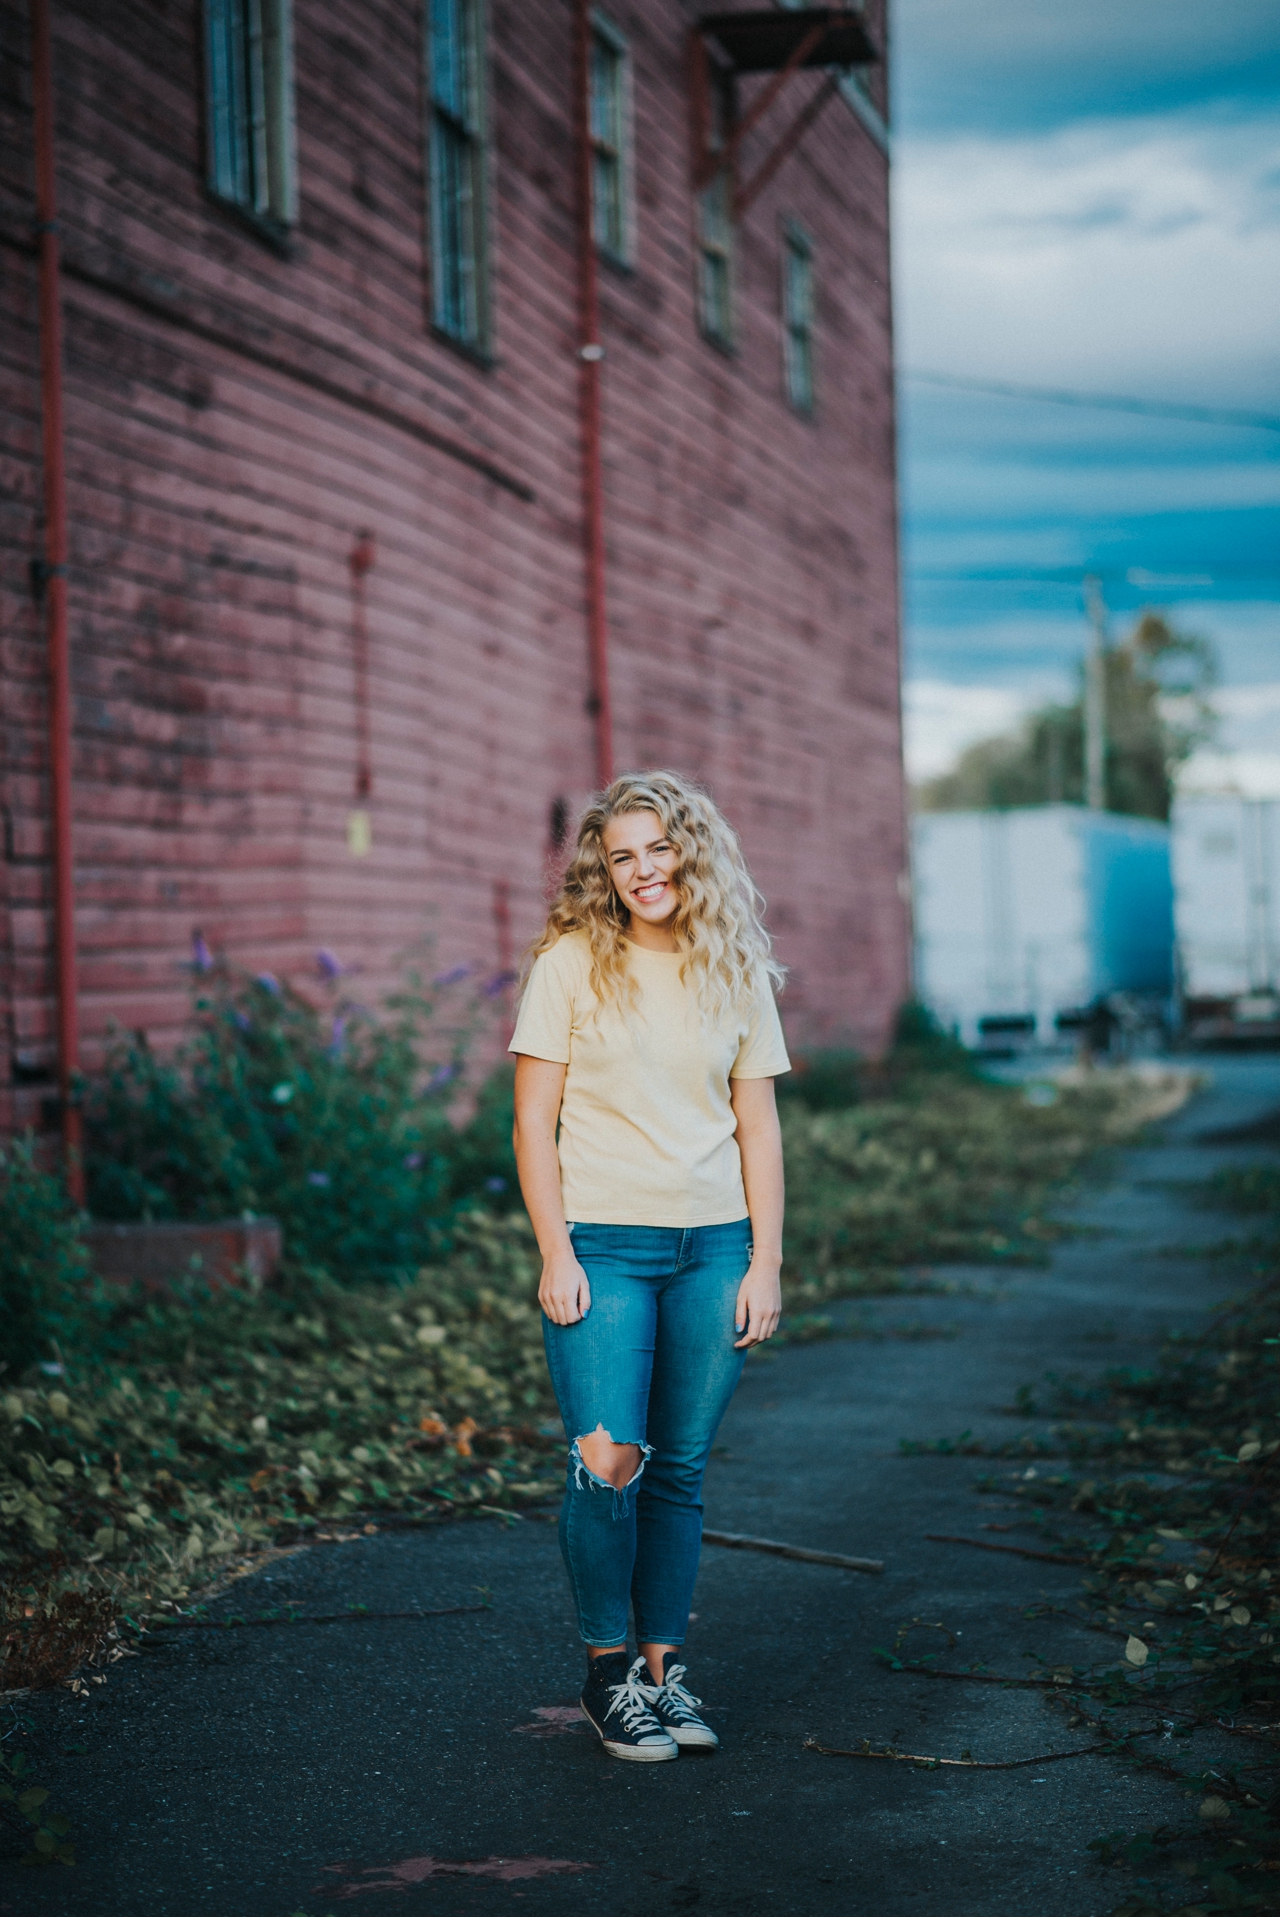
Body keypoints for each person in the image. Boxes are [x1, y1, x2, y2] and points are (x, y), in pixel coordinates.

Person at [510, 770, 789, 1762]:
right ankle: (607, 1675)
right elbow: (532, 1124)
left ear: (691, 854)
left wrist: (765, 1262)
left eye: (658, 849)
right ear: (603, 869)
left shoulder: (734, 970)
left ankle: (665, 1674)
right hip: (603, 1249)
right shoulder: (570, 964)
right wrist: (555, 1250)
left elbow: (758, 1128)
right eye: (620, 855)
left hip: (713, 1250)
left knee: (677, 1469)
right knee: (608, 1461)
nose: (641, 871)